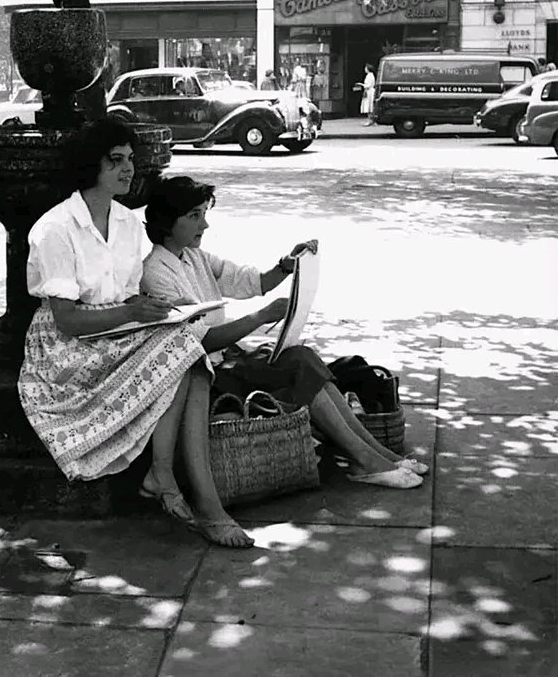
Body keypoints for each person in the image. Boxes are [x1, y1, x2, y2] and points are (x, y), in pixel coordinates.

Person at [18, 120, 254, 548]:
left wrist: (158, 310)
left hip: (120, 327)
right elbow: (67, 321)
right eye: (117, 160)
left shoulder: (128, 223)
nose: (128, 169)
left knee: (189, 350)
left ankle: (173, 479)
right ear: (92, 165)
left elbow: (133, 295)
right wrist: (133, 311)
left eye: (131, 159)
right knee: (186, 354)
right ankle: (195, 497)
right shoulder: (55, 229)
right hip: (68, 349)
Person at [142, 176, 427, 489]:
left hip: (228, 362)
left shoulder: (194, 256)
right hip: (205, 377)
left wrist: (286, 266)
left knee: (304, 359)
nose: (205, 224)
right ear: (168, 221)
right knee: (299, 364)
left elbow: (250, 281)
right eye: (195, 216)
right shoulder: (156, 272)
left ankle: (376, 453)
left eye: (204, 214)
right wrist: (261, 316)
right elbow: (200, 338)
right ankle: (366, 459)